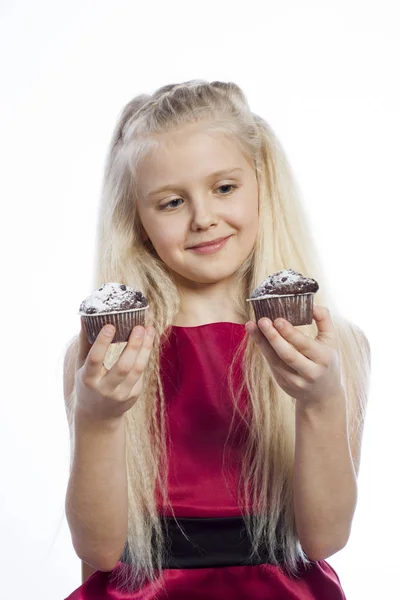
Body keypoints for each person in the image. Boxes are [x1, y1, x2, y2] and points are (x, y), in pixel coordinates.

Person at [63, 80, 371, 599]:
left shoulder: (330, 345)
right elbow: (98, 551)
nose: (203, 217)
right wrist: (97, 416)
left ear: (262, 185)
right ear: (137, 221)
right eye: (171, 202)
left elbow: (324, 538)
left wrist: (320, 401)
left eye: (224, 188)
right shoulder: (103, 354)